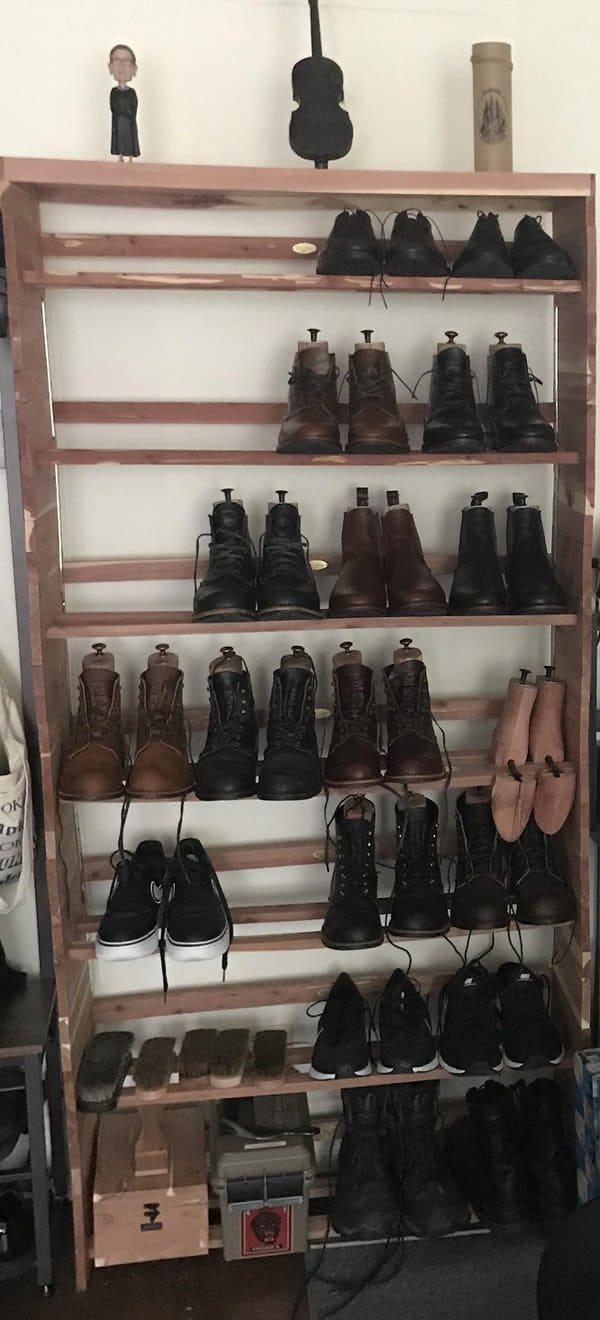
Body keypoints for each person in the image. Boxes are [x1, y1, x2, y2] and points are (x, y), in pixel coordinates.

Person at [108, 43, 140, 162]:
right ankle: (121, 156)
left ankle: (130, 156)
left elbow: (134, 106)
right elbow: (113, 106)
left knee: (130, 138)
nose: (121, 66)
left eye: (126, 61)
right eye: (117, 61)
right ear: (110, 67)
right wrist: (120, 113)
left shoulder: (131, 92)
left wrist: (128, 113)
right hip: (119, 120)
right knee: (119, 138)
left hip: (129, 121)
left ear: (134, 69)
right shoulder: (114, 92)